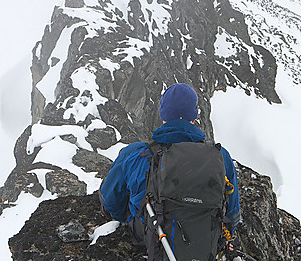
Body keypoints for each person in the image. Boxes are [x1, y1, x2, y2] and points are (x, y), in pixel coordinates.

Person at [99, 83, 241, 249]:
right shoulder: (220, 155)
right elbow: (232, 213)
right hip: (205, 243)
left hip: (150, 239)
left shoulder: (135, 153)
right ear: (194, 116)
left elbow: (111, 204)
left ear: (162, 113)